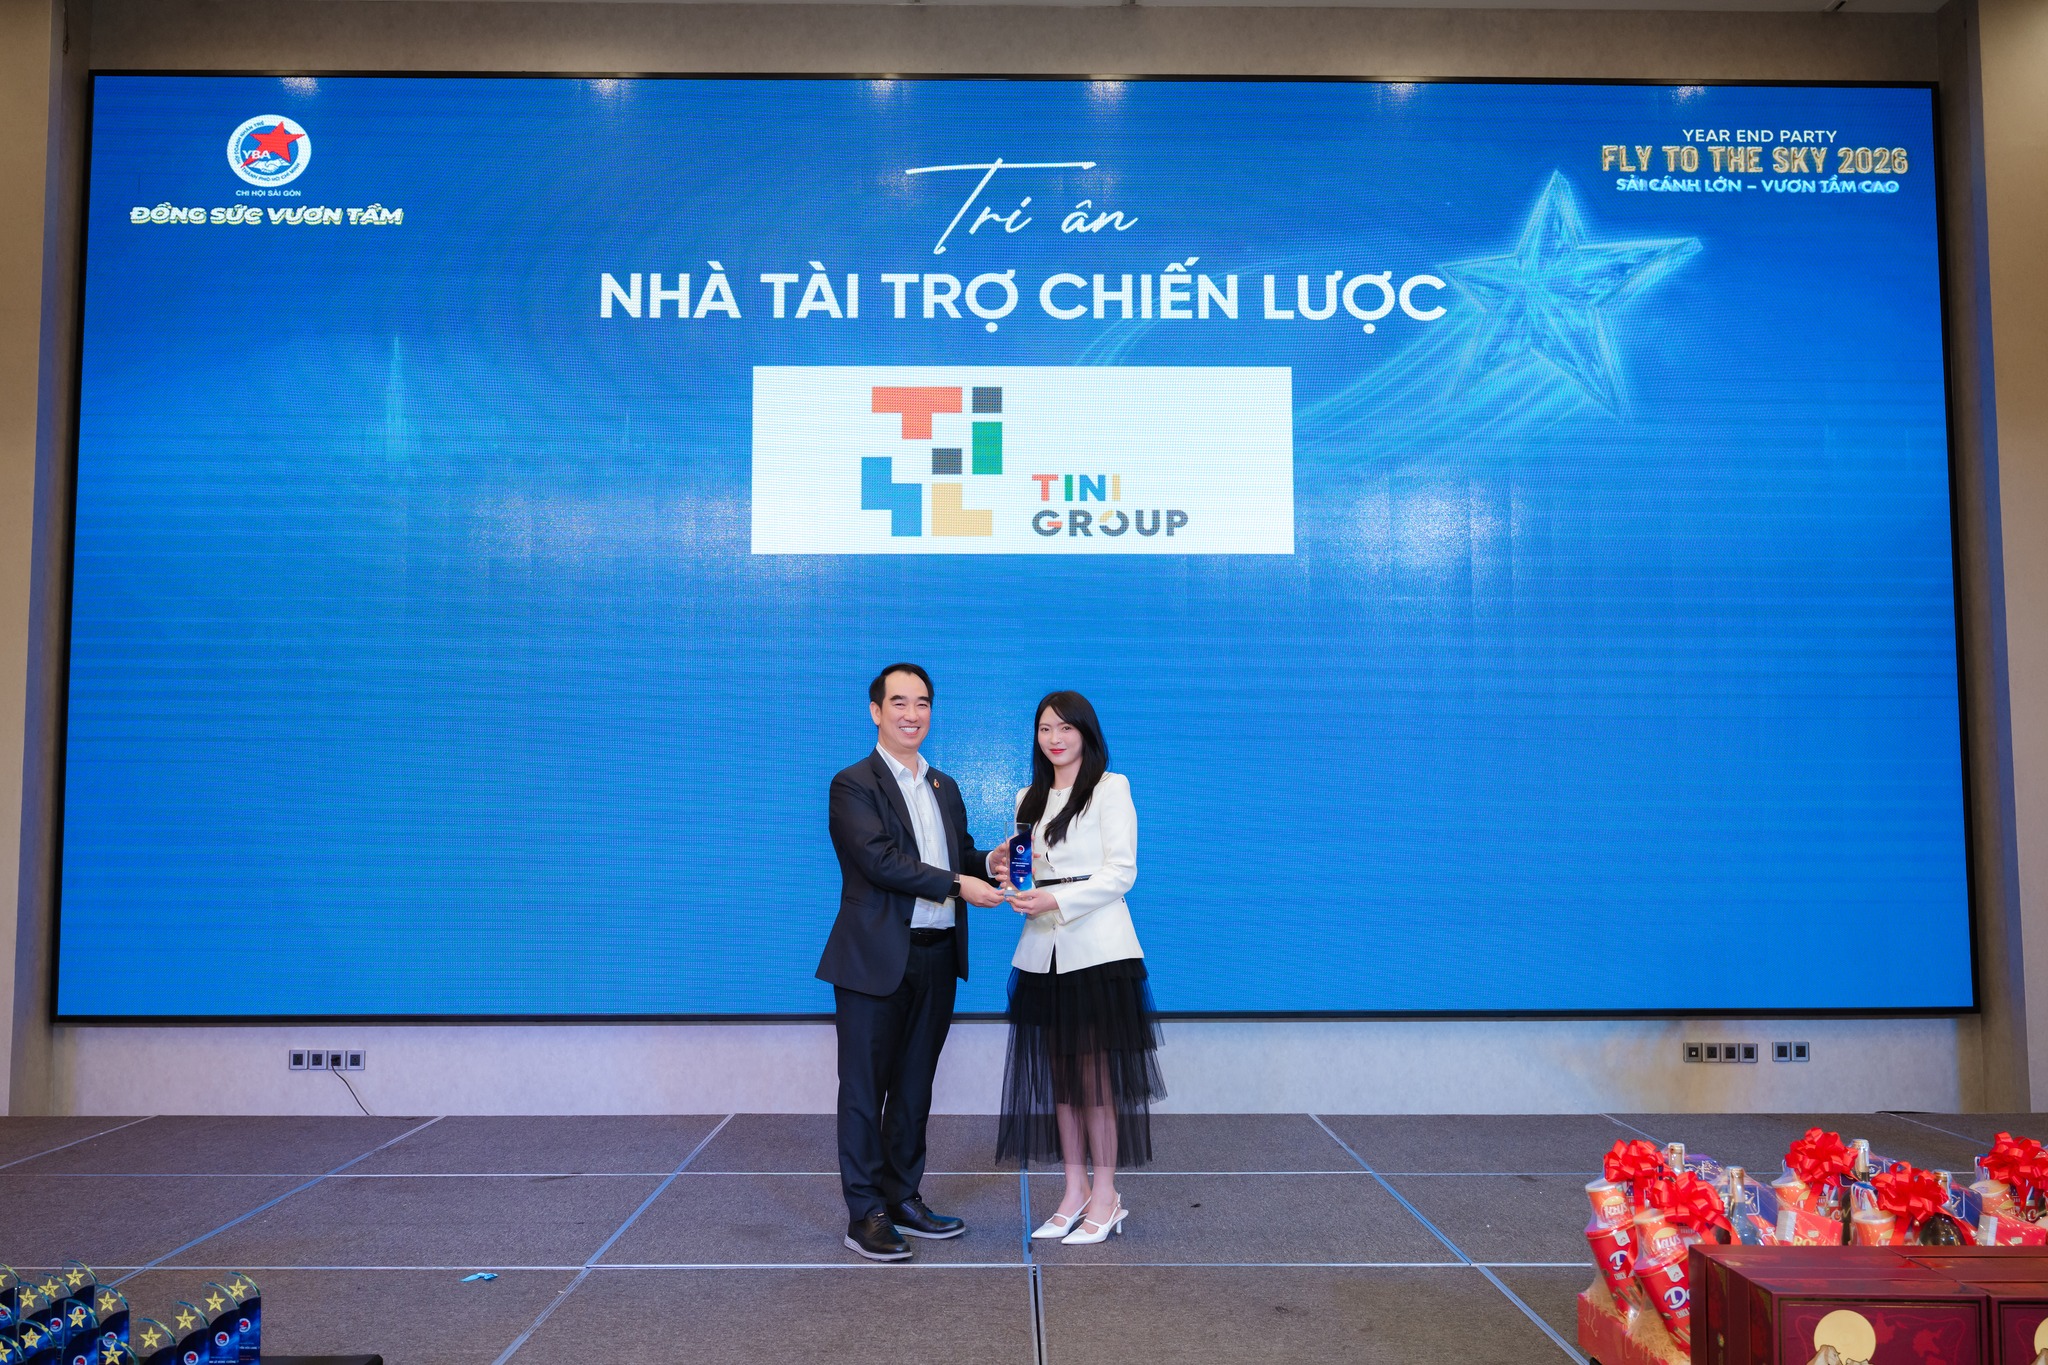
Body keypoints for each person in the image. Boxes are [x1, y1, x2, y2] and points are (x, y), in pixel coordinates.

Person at [818, 663, 1011, 1261]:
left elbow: (956, 854)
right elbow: (880, 861)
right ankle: (865, 1213)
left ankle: (903, 1197)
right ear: (876, 711)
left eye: (922, 702)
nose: (912, 714)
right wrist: (957, 883)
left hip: (936, 956)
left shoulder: (943, 785)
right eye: (898, 702)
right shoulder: (853, 784)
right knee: (864, 1090)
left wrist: (988, 862)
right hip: (874, 960)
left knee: (912, 1088)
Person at [993, 690, 1164, 1245]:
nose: (1055, 738)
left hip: (1098, 953)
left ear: (1086, 734)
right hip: (1041, 955)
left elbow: (1121, 873)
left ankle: (1107, 1196)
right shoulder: (1027, 797)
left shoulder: (1110, 788)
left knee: (1094, 1080)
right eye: (1045, 728)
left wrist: (1056, 899)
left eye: (1066, 727)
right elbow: (1028, 871)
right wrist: (1010, 880)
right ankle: (1074, 1191)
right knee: (1060, 1081)